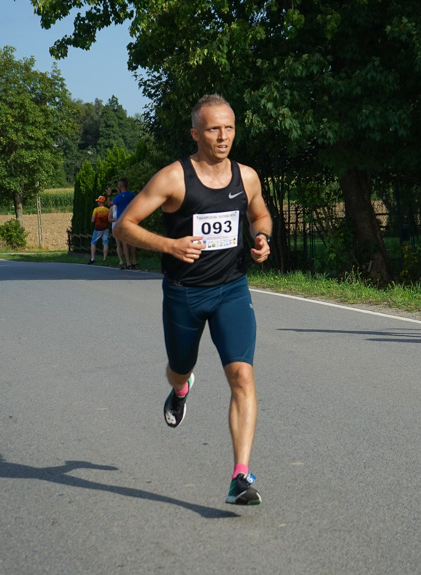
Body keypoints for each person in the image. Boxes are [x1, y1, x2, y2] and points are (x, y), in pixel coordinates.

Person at [114, 94, 272, 505]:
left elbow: (260, 214)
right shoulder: (173, 178)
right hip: (184, 294)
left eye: (230, 128)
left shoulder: (247, 177)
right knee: (179, 368)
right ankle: (181, 389)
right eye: (214, 129)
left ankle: (241, 475)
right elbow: (124, 226)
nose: (223, 137)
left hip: (232, 289)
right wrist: (169, 245)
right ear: (195, 133)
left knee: (242, 377)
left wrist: (262, 238)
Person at [113, 178, 137, 269]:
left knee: (124, 243)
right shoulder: (131, 194)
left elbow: (110, 203)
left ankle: (128, 263)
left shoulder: (119, 197)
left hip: (122, 221)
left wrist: (109, 195)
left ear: (120, 186)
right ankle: (134, 261)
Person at [107, 188, 130, 269]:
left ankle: (127, 260)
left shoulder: (123, 205)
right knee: (119, 244)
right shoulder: (112, 208)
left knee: (125, 243)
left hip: (122, 225)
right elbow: (109, 219)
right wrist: (117, 219)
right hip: (115, 226)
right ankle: (121, 260)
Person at [89, 195, 111, 264]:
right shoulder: (108, 210)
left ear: (100, 202)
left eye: (98, 201)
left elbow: (92, 220)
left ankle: (92, 258)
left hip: (98, 228)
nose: (97, 203)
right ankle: (104, 258)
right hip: (106, 228)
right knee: (105, 243)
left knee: (93, 242)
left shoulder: (96, 210)